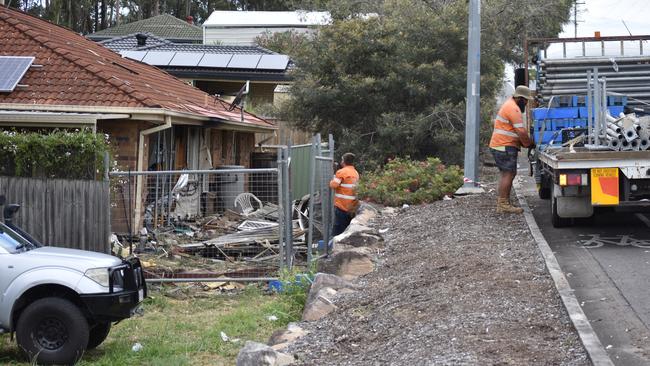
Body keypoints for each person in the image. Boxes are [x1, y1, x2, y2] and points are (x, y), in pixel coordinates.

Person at [489, 85, 536, 214]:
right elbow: (520, 130)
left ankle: (504, 202)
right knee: (508, 174)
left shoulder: (510, 105)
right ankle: (503, 204)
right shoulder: (513, 109)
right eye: (525, 100)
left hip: (501, 145)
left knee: (509, 173)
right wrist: (529, 144)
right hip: (504, 145)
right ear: (520, 98)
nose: (526, 103)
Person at [329, 152, 360, 236]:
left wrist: (332, 178)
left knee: (338, 232)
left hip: (342, 206)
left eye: (342, 159)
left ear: (343, 161)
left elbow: (333, 185)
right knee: (347, 230)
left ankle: (333, 248)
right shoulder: (355, 173)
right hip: (352, 207)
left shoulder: (341, 172)